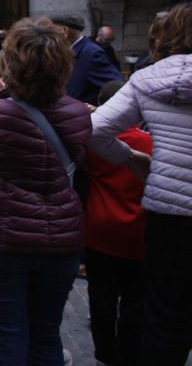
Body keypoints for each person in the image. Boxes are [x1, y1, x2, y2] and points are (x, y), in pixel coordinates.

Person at [0, 17, 90, 366]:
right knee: (46, 335)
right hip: (61, 237)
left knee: (4, 337)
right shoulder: (79, 113)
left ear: (10, 63)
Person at [88, 1, 192, 365]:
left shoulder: (147, 79)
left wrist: (132, 160)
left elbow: (95, 130)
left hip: (168, 212)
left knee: (164, 315)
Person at [84, 79, 151, 366]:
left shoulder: (94, 142)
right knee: (135, 301)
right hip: (139, 232)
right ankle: (128, 353)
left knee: (101, 299)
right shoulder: (149, 142)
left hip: (99, 229)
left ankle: (104, 355)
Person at [51, 13, 123, 105]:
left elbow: (117, 86)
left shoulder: (91, 53)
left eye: (52, 32)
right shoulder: (68, 50)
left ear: (65, 31)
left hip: (82, 115)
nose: (50, 37)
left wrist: (100, 110)